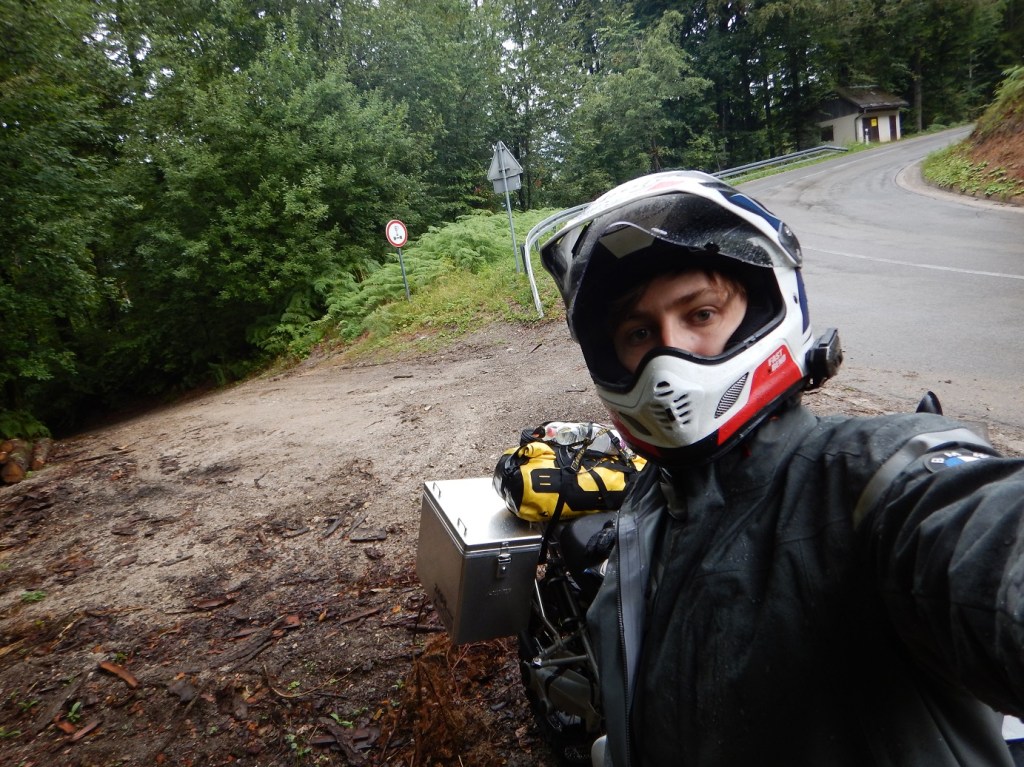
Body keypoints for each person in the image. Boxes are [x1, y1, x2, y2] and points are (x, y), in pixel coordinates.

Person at [539, 170, 1024, 766]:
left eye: (702, 314)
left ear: (767, 306)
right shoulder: (652, 509)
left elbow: (982, 538)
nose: (670, 357)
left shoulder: (867, 479)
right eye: (640, 332)